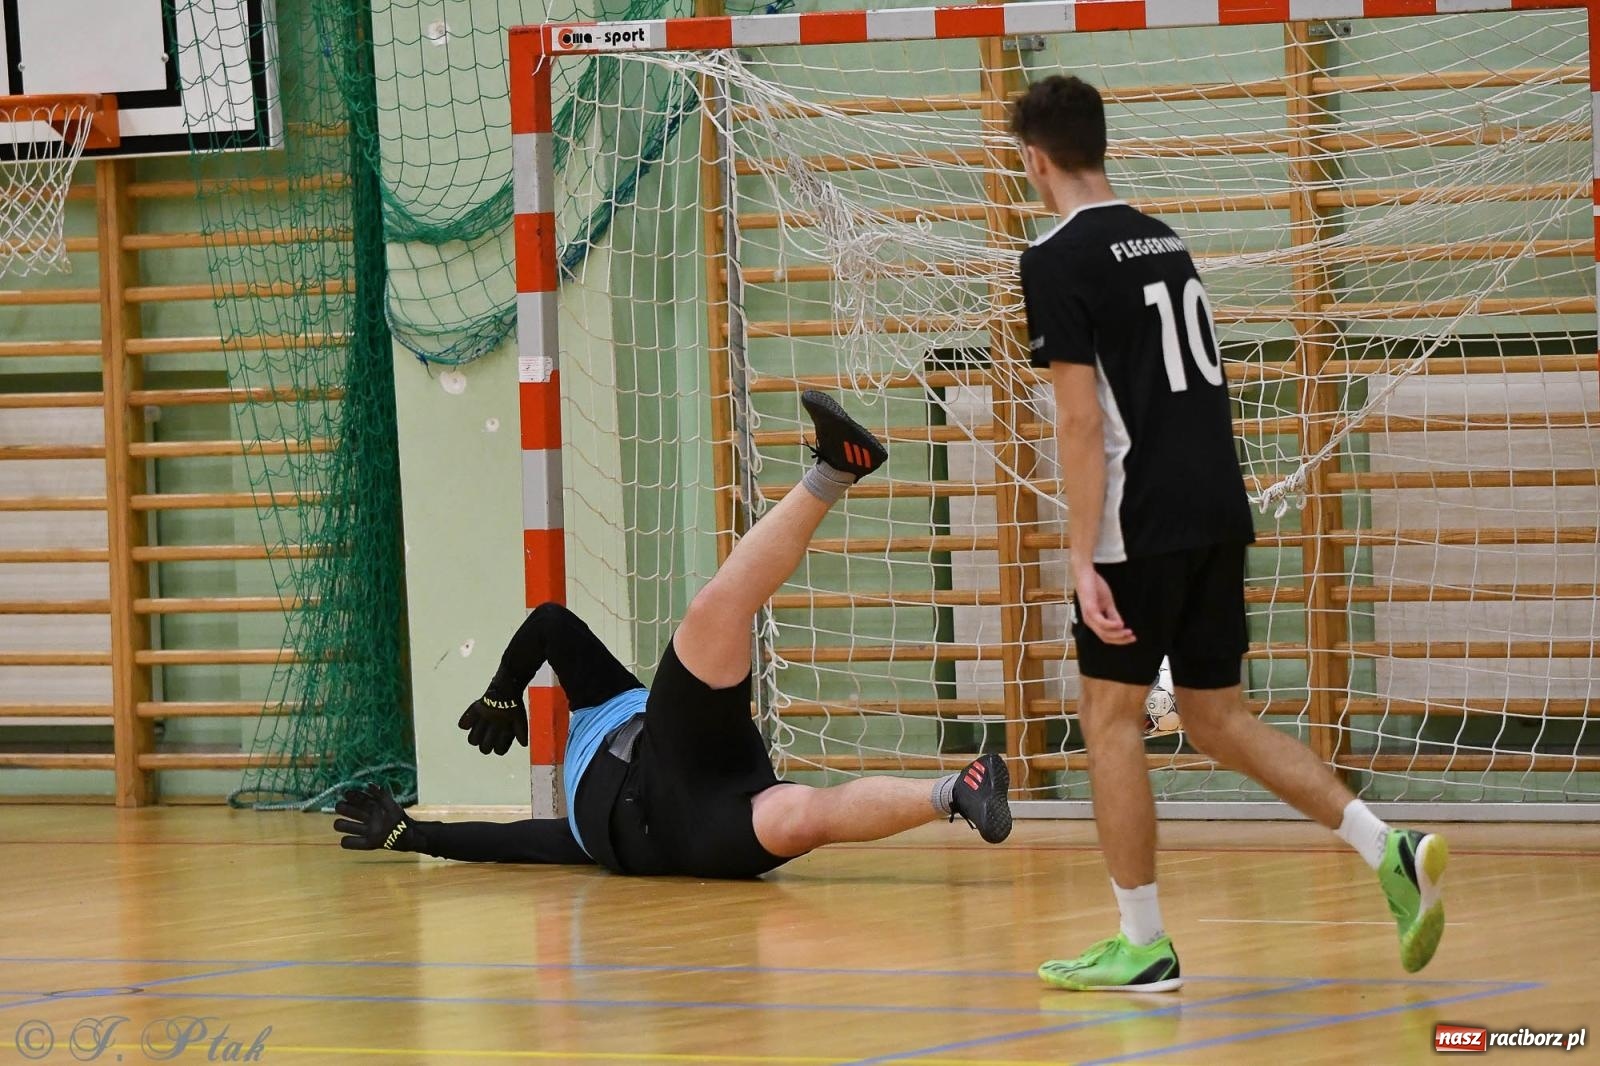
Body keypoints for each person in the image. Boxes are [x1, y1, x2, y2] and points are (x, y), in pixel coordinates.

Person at [1012, 75, 1447, 990]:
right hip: (1215, 502)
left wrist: (1082, 555)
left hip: (1140, 517)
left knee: (1109, 718)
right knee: (1214, 716)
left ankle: (1145, 943)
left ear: (1035, 159)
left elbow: (1082, 423)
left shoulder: (1054, 256)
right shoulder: (1164, 239)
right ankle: (1384, 847)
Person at [333, 391, 1012, 877]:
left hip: (674, 757)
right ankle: (957, 792)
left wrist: (505, 690)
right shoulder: (577, 827)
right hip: (710, 834)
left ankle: (834, 470)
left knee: (715, 614)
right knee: (804, 818)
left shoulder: (606, 708)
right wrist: (413, 833)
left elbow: (549, 623)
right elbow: (510, 842)